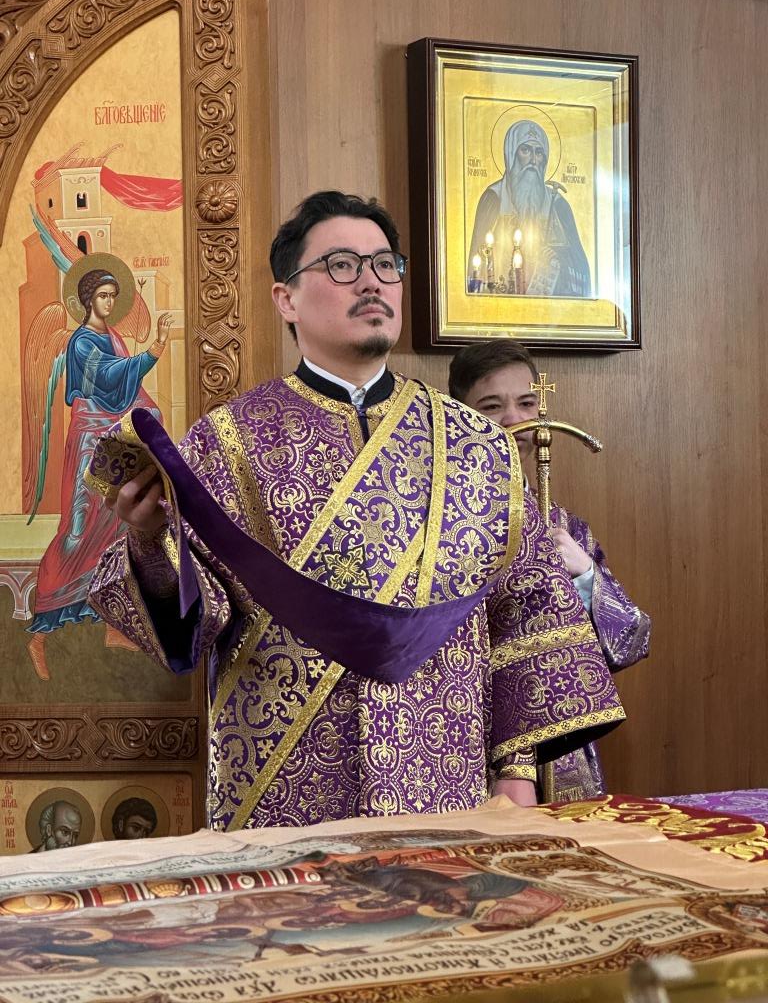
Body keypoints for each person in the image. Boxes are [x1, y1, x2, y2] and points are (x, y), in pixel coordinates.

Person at [88, 191, 625, 830]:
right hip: (283, 779)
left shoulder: (476, 444)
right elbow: (190, 625)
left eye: (385, 264)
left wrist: (516, 771)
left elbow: (527, 607)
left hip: (444, 778)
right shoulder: (226, 442)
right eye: (342, 265)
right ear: (286, 298)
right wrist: (149, 541)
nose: (371, 281)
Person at [449, 338, 650, 800]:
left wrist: (584, 575)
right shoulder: (444, 527)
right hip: (471, 735)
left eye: (526, 403)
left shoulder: (564, 527)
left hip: (558, 744)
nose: (513, 419)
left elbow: (632, 638)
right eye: (492, 406)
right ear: (458, 414)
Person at [26, 265, 173, 680]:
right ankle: (39, 635)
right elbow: (109, 378)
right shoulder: (81, 342)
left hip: (114, 443)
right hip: (89, 442)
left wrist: (149, 418)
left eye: (113, 295)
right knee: (77, 531)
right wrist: (154, 350)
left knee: (117, 529)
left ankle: (114, 626)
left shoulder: (115, 338)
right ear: (89, 300)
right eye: (103, 295)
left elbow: (129, 393)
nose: (109, 302)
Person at [467, 119, 590, 297]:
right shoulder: (493, 199)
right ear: (511, 154)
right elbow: (475, 265)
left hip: (549, 303)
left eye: (539, 153)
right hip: (499, 301)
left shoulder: (557, 205)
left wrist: (556, 259)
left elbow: (580, 268)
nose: (533, 160)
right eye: (525, 150)